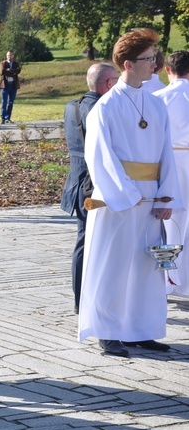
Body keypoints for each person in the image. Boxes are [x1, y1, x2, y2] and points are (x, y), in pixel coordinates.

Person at [79, 28, 183, 358]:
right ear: (128, 64)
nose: (155, 63)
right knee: (114, 263)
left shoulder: (156, 105)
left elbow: (167, 153)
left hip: (151, 198)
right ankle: (108, 331)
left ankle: (140, 330)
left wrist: (168, 197)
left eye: (156, 57)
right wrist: (125, 194)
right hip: (118, 202)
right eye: (148, 58)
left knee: (146, 266)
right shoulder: (106, 108)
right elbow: (99, 157)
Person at [60, 63, 119, 314]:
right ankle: (85, 298)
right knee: (90, 241)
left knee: (83, 240)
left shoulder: (71, 106)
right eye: (116, 81)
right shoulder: (100, 110)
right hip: (91, 187)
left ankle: (79, 298)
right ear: (107, 84)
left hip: (76, 181)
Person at [155, 50, 189, 296]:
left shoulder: (159, 97)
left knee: (170, 225)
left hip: (171, 164)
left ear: (168, 70)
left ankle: (171, 281)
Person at [0, 51, 21, 124]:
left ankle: (8, 118)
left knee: (10, 102)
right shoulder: (3, 63)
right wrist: (13, 72)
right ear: (6, 56)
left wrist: (10, 70)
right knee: (4, 102)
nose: (9, 56)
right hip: (5, 85)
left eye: (10, 55)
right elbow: (2, 72)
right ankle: (3, 118)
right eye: (8, 55)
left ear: (13, 56)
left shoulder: (16, 63)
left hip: (13, 85)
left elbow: (18, 70)